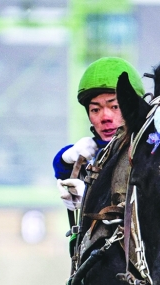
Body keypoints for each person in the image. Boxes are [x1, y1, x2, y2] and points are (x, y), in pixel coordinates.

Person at [54, 57, 145, 211]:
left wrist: (90, 199)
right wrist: (66, 157)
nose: (105, 117)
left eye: (115, 106)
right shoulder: (94, 152)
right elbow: (62, 170)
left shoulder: (152, 151)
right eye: (95, 109)